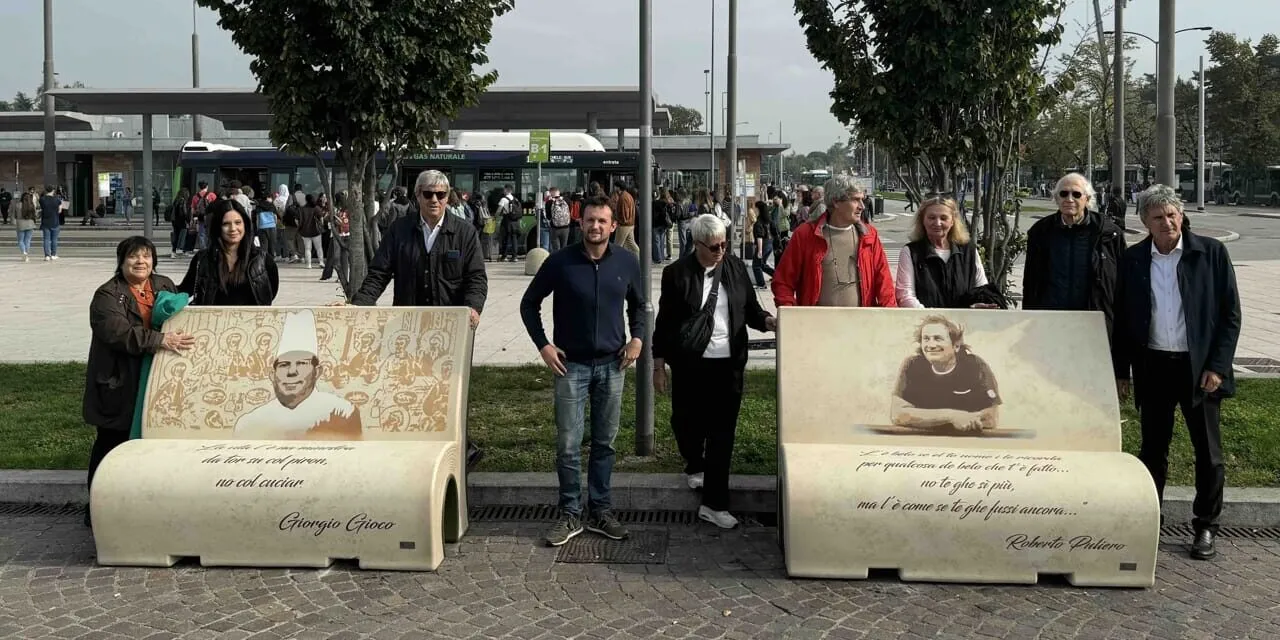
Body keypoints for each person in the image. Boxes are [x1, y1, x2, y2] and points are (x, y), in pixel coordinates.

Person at [1113, 184, 1241, 561]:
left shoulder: (1210, 254)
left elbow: (1230, 315)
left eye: (1172, 214)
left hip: (1198, 368)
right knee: (1152, 450)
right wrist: (1122, 371)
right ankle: (1151, 521)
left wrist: (1218, 365)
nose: (1167, 222)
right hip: (1153, 366)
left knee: (1208, 452)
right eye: (1158, 217)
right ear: (1145, 223)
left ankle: (1205, 527)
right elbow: (1122, 321)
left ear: (1182, 216)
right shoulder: (1134, 259)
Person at [519, 195, 644, 547]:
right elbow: (529, 303)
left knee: (605, 443)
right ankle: (570, 512)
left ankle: (601, 510)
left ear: (613, 225)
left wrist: (637, 338)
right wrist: (543, 345)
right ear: (580, 222)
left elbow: (639, 305)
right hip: (569, 365)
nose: (596, 227)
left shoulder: (626, 262)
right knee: (569, 445)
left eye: (602, 221)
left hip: (613, 364)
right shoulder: (561, 262)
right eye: (590, 220)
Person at [351, 170, 487, 467]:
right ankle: (413, 453)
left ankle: (459, 451)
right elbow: (378, 274)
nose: (435, 200)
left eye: (441, 194)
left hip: (449, 331)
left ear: (448, 197)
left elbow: (476, 278)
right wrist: (359, 307)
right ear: (417, 197)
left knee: (447, 392)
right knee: (407, 387)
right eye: (428, 194)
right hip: (408, 328)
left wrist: (473, 308)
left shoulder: (464, 232)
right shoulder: (399, 231)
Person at [652, 214, 775, 529]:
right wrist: (658, 364)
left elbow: (750, 308)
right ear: (697, 245)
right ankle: (694, 463)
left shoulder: (733, 268)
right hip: (691, 364)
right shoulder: (677, 274)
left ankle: (714, 503)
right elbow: (664, 323)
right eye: (714, 247)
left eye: (724, 244)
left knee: (723, 434)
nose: (721, 251)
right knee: (686, 422)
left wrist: (767, 321)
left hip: (728, 364)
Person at [84, 236, 195, 524]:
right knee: (111, 443)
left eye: (146, 256)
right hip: (119, 381)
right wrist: (161, 339)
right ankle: (96, 507)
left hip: (158, 377)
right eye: (133, 257)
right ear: (121, 262)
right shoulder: (107, 296)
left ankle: (141, 505)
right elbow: (117, 333)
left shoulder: (163, 285)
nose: (140, 262)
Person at [1022, 172, 1125, 338]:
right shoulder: (1040, 232)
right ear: (1056, 198)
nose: (1069, 199)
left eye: (1076, 194)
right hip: (1051, 324)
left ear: (1087, 199)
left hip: (1095, 326)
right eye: (1063, 193)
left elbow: (1121, 284)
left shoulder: (1109, 234)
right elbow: (1031, 283)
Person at [235, 309, 362, 439]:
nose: (291, 372)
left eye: (301, 363)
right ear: (272, 375)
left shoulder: (342, 412)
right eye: (284, 365)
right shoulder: (249, 423)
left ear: (317, 372)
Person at [771, 175, 895, 308]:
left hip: (861, 325)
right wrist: (791, 313)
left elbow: (885, 284)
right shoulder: (805, 235)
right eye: (855, 200)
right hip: (817, 326)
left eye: (862, 200)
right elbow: (783, 282)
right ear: (836, 202)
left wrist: (890, 316)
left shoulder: (870, 235)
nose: (862, 206)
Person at [890, 315, 1001, 433]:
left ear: (956, 345)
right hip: (921, 442)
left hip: (966, 442)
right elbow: (898, 415)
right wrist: (951, 416)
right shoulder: (912, 365)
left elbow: (990, 418)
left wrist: (922, 418)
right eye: (926, 339)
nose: (931, 345)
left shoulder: (975, 366)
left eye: (938, 339)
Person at [895, 197, 993, 308]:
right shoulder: (911, 252)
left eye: (943, 218)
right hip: (926, 323)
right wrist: (934, 318)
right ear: (923, 220)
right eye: (931, 218)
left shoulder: (969, 251)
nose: (937, 223)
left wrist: (977, 305)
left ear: (952, 221)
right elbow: (905, 296)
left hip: (964, 322)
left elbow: (981, 289)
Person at [178, 199, 279, 306]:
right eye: (226, 224)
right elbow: (184, 290)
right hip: (212, 321)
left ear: (245, 225)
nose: (233, 229)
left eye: (238, 222)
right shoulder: (202, 259)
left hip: (251, 321)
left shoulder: (263, 261)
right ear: (218, 227)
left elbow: (268, 294)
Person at [39, 185, 61, 261]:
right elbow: (59, 211)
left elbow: (42, 208)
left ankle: (47, 256)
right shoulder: (57, 199)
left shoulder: (42, 199)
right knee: (54, 239)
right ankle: (53, 254)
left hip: (45, 221)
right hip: (55, 221)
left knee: (46, 239)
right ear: (53, 190)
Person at [15, 189, 38, 262]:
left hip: (21, 224)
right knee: (27, 240)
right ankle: (26, 255)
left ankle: (24, 253)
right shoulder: (32, 205)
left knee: (21, 240)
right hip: (30, 224)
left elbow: (15, 215)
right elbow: (35, 215)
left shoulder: (17, 205)